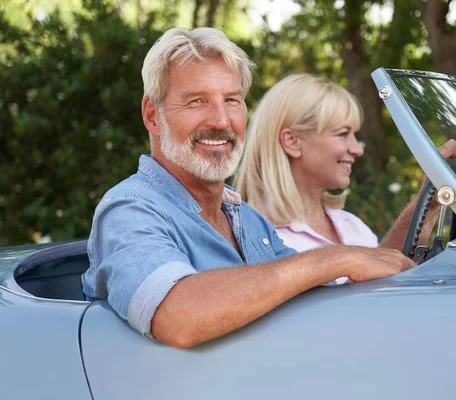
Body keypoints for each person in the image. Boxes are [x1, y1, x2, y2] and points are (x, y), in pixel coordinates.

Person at [82, 27, 416, 349]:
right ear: (153, 116)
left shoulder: (248, 220)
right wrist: (333, 257)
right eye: (197, 101)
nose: (221, 121)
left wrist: (417, 216)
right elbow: (178, 316)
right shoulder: (130, 209)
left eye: (231, 100)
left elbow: (321, 303)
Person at [234, 74, 456, 256]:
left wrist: (431, 199)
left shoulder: (350, 226)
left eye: (354, 135)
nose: (357, 149)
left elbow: (391, 283)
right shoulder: (254, 236)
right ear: (292, 141)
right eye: (342, 134)